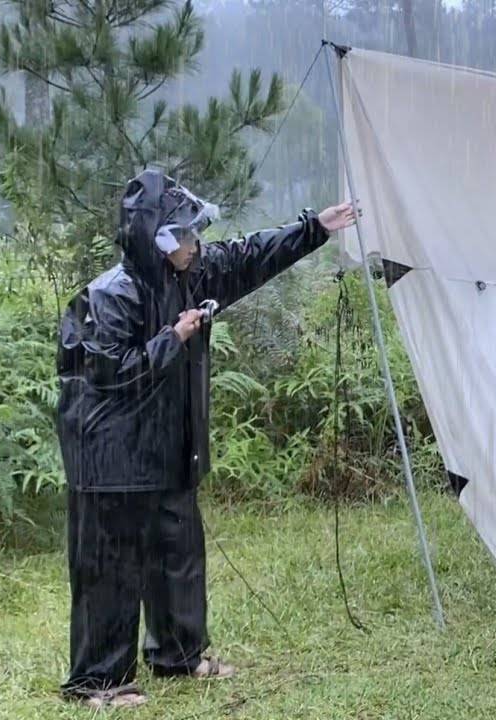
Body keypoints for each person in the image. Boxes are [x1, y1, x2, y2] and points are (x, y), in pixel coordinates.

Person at [54, 169, 358, 708]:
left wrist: (314, 228)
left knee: (178, 552)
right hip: (110, 456)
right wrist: (172, 338)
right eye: (186, 235)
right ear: (159, 239)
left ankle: (178, 653)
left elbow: (247, 256)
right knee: (112, 568)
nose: (197, 244)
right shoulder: (110, 295)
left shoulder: (189, 274)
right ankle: (97, 682)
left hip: (167, 446)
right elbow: (109, 374)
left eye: (195, 234)